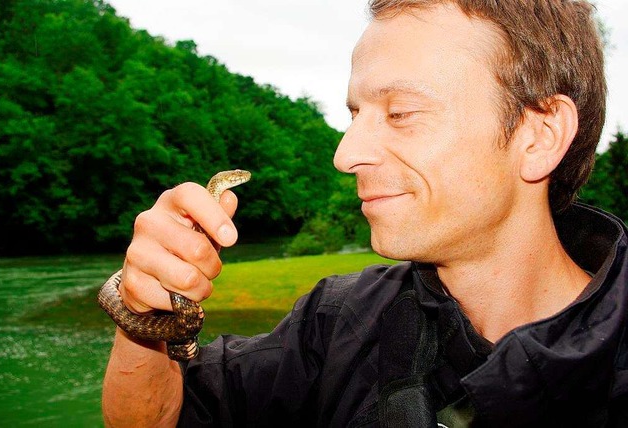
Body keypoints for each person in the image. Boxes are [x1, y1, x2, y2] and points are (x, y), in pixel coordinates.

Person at [101, 0, 628, 426]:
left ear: (539, 136)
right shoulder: (333, 323)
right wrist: (145, 317)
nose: (345, 155)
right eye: (355, 114)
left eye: (400, 113)